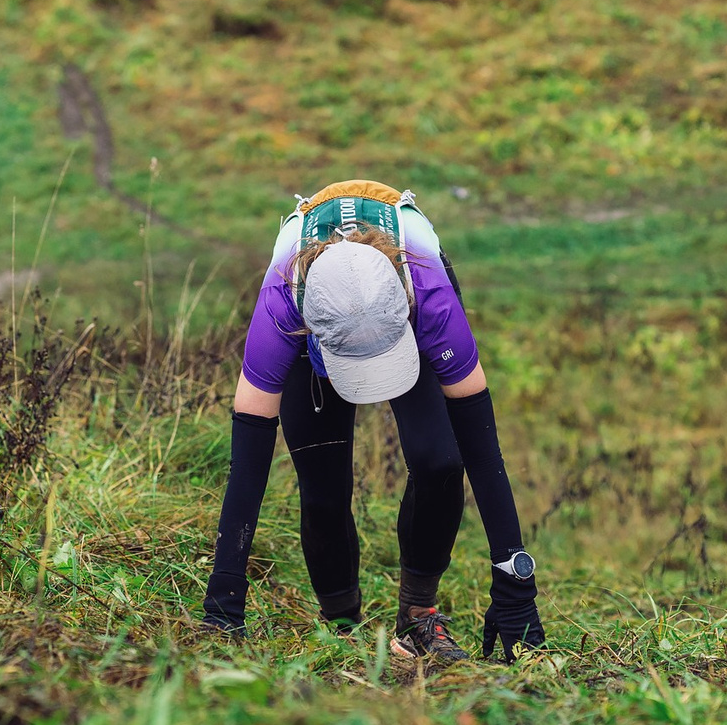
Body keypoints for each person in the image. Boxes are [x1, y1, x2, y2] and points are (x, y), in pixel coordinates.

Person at [201, 180, 542, 665]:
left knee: (441, 459)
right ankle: (342, 627)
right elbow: (248, 466)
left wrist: (515, 584)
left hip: (401, 292)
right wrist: (224, 596)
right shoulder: (282, 306)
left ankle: (419, 615)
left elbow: (482, 449)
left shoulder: (428, 290)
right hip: (316, 315)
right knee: (321, 487)